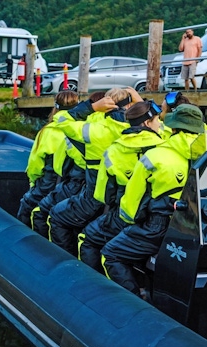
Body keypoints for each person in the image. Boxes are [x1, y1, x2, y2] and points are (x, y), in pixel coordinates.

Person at [101, 104, 206, 298]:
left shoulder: (155, 155)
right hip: (200, 227)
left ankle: (135, 301)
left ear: (173, 128)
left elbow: (131, 205)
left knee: (111, 253)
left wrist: (130, 221)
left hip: (158, 227)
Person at [47, 87, 142, 256]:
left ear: (105, 105)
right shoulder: (145, 131)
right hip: (130, 200)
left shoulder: (93, 130)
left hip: (95, 196)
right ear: (129, 105)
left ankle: (65, 263)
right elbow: (160, 123)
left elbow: (60, 119)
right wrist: (140, 102)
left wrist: (92, 107)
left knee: (55, 216)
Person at [78, 100, 165, 271]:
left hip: (125, 215)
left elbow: (104, 195)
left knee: (87, 238)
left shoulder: (113, 151)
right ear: (147, 123)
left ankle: (94, 286)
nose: (160, 124)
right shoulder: (166, 147)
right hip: (158, 217)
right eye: (157, 120)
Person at [30, 91, 114, 238]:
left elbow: (53, 166)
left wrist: (33, 182)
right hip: (106, 192)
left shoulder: (77, 131)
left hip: (75, 185)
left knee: (38, 211)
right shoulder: (117, 129)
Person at [16, 90, 79, 227]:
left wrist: (33, 183)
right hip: (73, 184)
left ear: (55, 106)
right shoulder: (84, 130)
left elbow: (35, 164)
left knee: (27, 208)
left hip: (49, 182)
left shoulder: (48, 131)